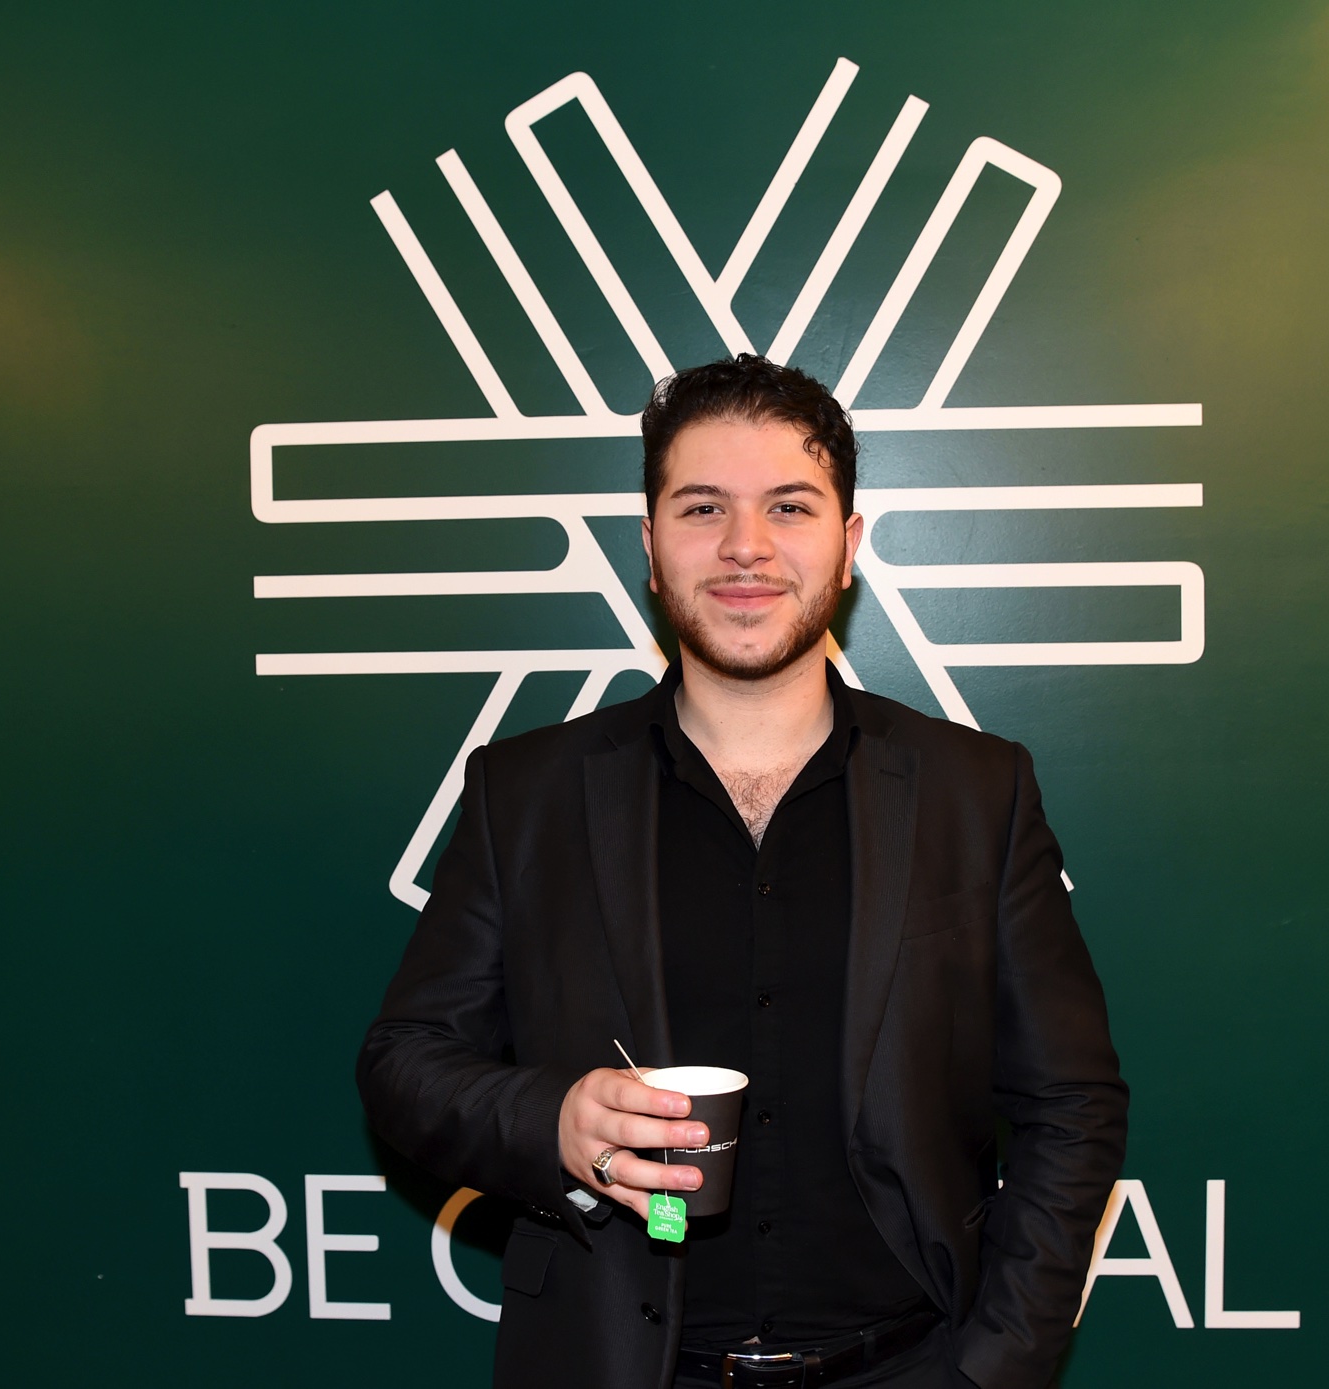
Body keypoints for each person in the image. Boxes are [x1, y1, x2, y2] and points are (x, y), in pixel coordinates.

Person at [358, 354, 1128, 1389]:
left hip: (910, 1367)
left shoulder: (975, 790)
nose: (745, 546)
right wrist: (555, 1122)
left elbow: (1070, 1102)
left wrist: (993, 1369)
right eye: (702, 508)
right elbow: (405, 1061)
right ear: (649, 547)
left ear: (847, 546)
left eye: (789, 507)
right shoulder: (526, 791)